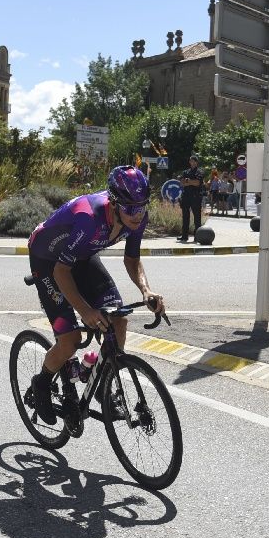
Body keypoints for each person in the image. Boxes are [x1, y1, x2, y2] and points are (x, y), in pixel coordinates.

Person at [24, 166, 165, 419]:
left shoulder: (137, 217)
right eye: (131, 208)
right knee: (71, 341)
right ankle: (42, 383)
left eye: (142, 206)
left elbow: (132, 259)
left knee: (119, 318)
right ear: (113, 202)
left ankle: (104, 385)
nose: (137, 215)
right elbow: (61, 272)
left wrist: (146, 290)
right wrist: (85, 310)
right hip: (47, 261)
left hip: (81, 257)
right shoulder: (90, 218)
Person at [178, 154, 205, 241]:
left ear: (196, 163)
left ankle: (197, 237)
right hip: (186, 196)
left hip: (196, 197)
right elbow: (182, 182)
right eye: (190, 161)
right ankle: (184, 236)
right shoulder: (186, 172)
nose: (192, 162)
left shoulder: (199, 172)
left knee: (197, 218)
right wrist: (190, 182)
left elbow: (197, 183)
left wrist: (188, 181)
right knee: (185, 217)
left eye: (193, 161)